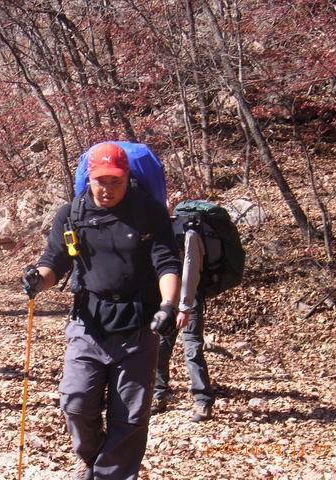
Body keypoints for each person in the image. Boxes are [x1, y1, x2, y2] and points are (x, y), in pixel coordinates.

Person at [21, 143, 182, 480]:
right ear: (89, 178)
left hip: (138, 324)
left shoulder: (148, 212)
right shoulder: (72, 214)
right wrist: (38, 279)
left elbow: (166, 262)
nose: (107, 188)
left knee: (130, 418)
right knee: (76, 403)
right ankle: (93, 460)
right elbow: (55, 261)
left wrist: (168, 305)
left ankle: (111, 475)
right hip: (88, 322)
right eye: (101, 181)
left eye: (115, 181)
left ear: (127, 178)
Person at [151, 220, 215, 421]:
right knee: (160, 348)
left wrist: (185, 306)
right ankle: (158, 396)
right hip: (167, 301)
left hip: (189, 300)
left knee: (192, 350)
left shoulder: (189, 233)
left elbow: (191, 269)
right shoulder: (157, 229)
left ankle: (203, 402)